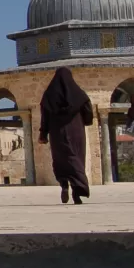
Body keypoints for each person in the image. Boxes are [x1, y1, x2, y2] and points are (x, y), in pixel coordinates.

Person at [37, 67, 93, 204]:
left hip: (57, 132)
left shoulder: (49, 95)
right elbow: (88, 111)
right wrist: (85, 121)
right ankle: (77, 191)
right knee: (76, 158)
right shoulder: (78, 94)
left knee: (61, 159)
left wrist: (43, 134)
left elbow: (45, 117)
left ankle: (64, 185)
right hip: (76, 132)